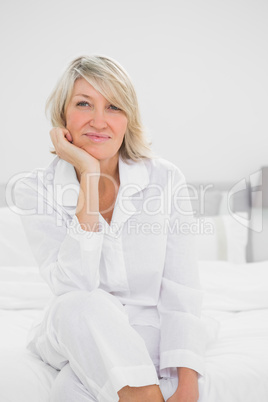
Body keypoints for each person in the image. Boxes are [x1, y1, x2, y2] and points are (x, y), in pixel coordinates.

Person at [14, 55, 206, 402]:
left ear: (128, 118)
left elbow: (182, 292)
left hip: (145, 330)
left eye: (114, 107)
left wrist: (187, 385)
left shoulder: (165, 179)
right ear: (62, 116)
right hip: (69, 326)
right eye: (84, 104)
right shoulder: (35, 189)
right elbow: (75, 285)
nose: (98, 121)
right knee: (81, 303)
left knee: (67, 392)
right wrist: (88, 174)